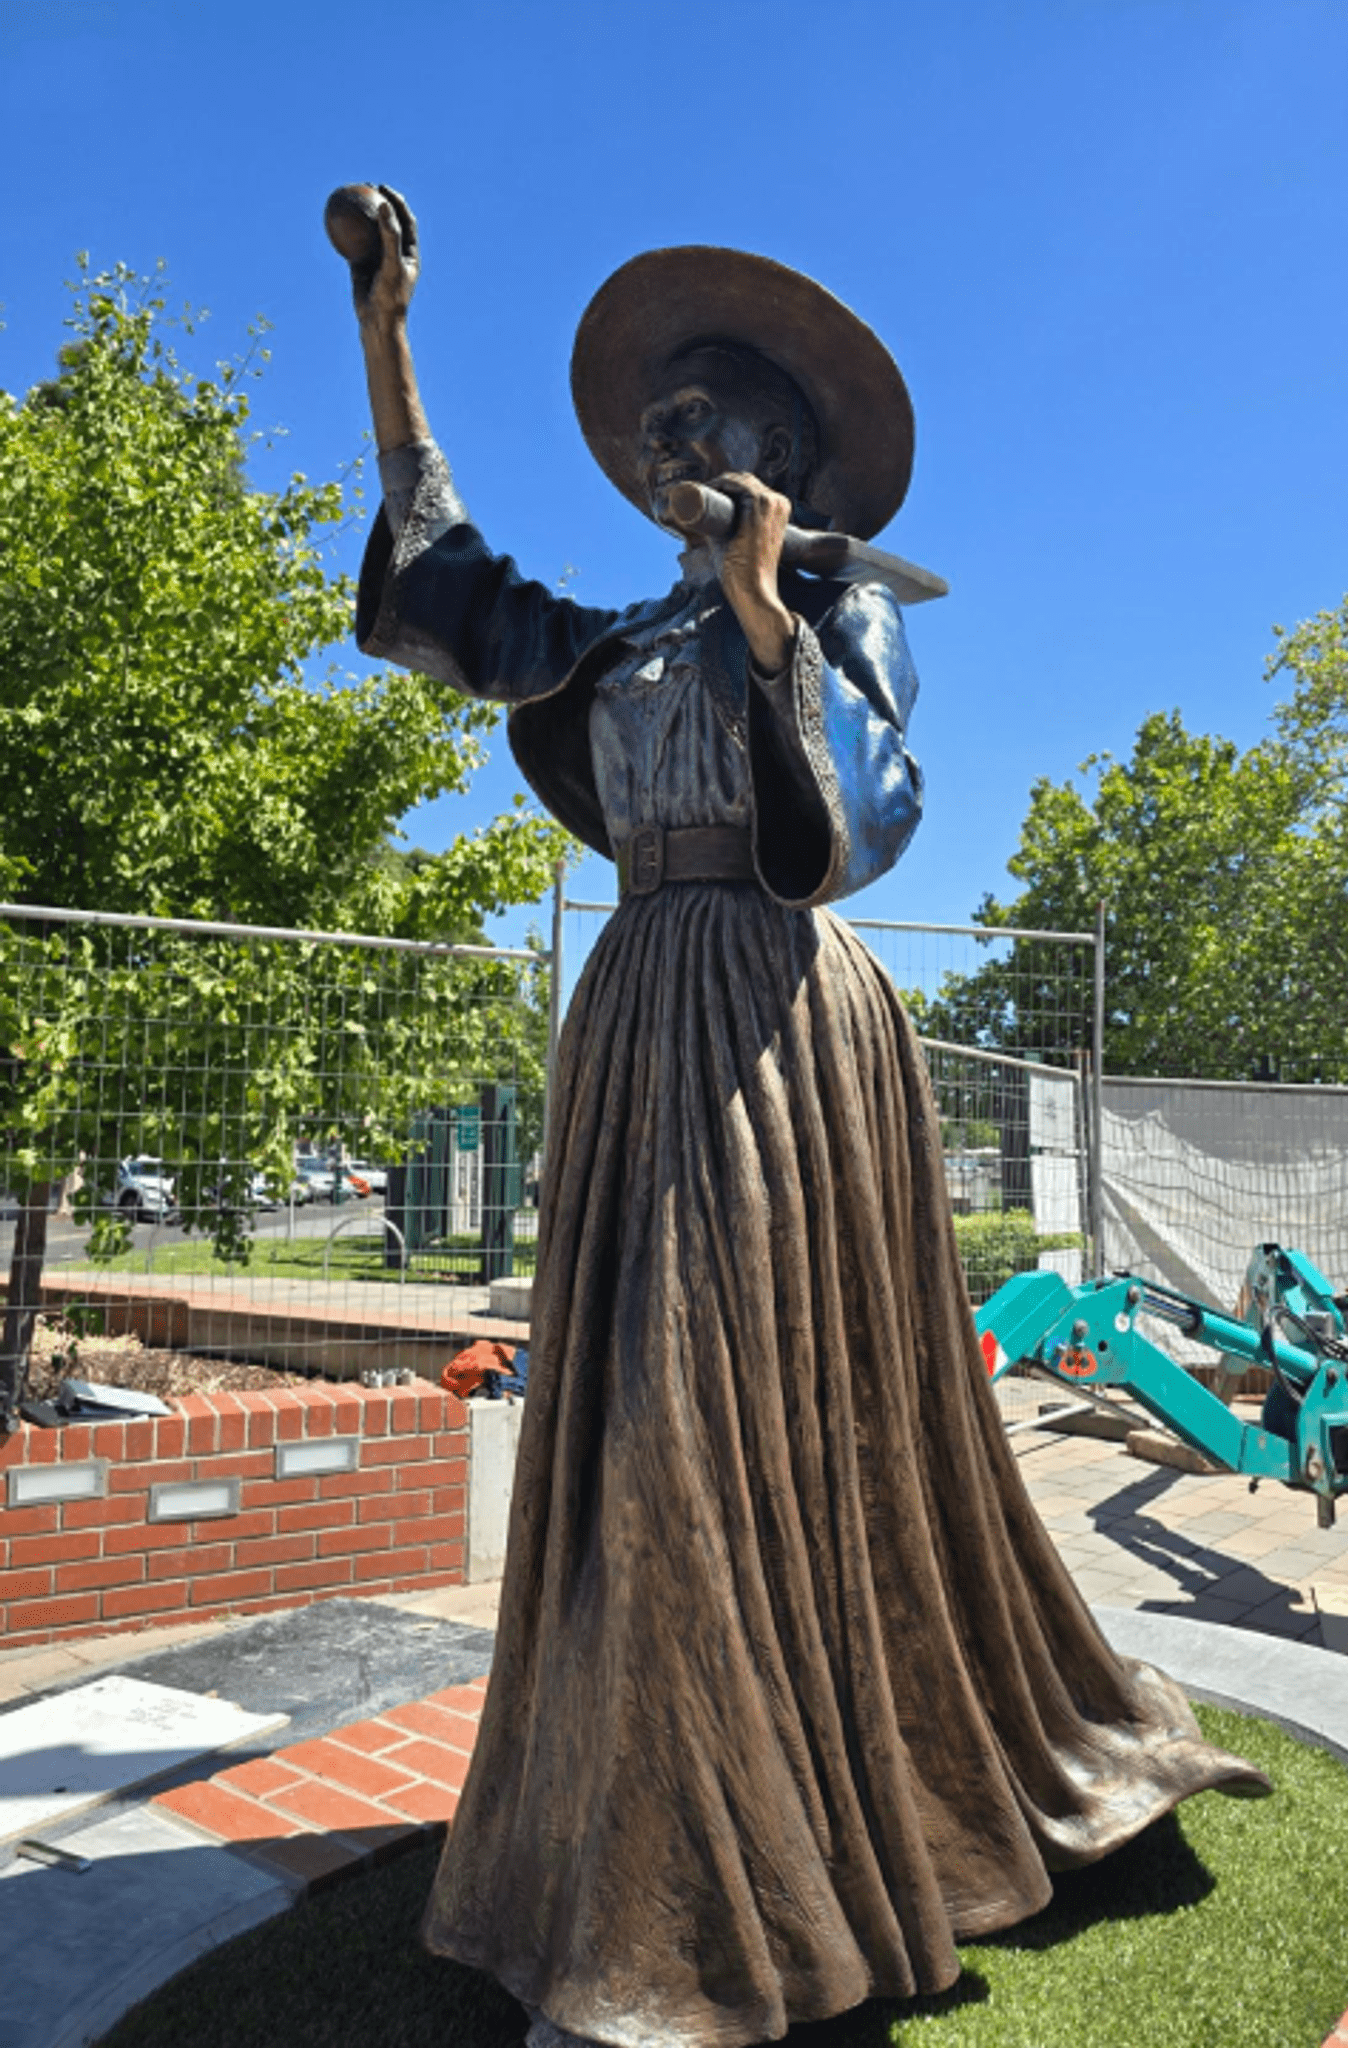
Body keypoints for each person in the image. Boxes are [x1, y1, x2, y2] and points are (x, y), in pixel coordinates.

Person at [341, 189, 1266, 2048]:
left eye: (699, 420)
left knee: (714, 1403)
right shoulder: (616, 642)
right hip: (637, 1013)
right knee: (631, 1414)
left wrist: (773, 617)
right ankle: (640, 1867)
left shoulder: (848, 616)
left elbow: (866, 820)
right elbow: (445, 583)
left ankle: (751, 1876)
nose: (665, 445)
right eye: (653, 427)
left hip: (779, 1020)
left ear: (781, 450)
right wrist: (388, 335)